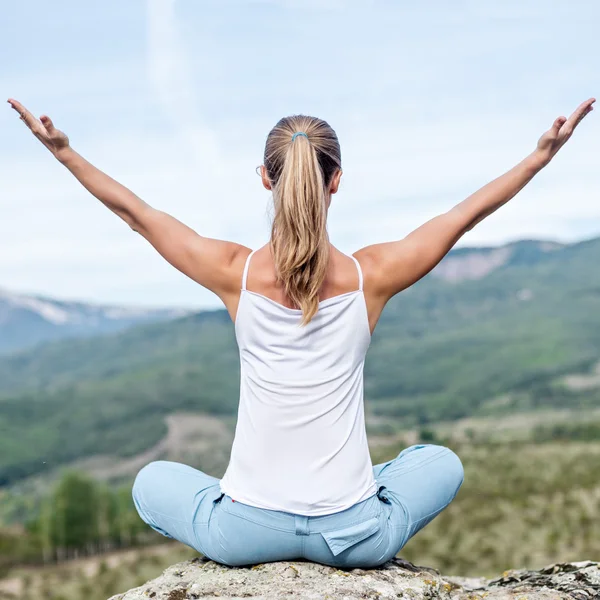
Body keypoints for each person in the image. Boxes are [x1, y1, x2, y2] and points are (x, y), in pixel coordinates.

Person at [8, 96, 595, 568]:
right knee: (439, 461)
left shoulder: (232, 272)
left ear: (265, 178)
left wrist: (66, 154)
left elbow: (138, 216)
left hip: (245, 533)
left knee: (150, 481)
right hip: (356, 536)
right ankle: (349, 501)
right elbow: (460, 218)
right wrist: (538, 158)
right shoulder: (373, 277)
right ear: (335, 181)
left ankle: (249, 497)